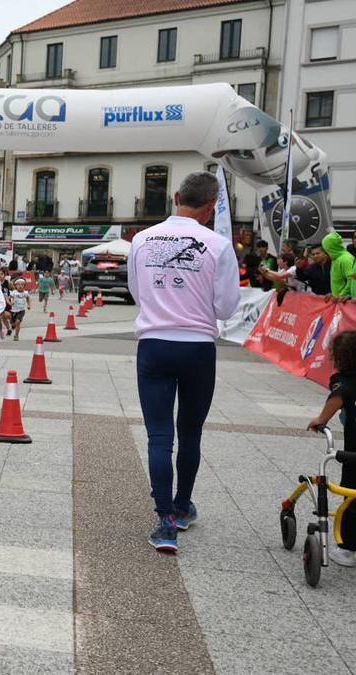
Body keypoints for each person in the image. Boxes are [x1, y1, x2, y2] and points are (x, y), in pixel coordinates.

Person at [126, 171, 239, 553]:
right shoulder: (218, 244)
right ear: (210, 206)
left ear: (176, 196)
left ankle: (164, 523)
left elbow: (136, 293)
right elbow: (226, 306)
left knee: (159, 435)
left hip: (154, 344)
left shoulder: (141, 240)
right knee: (190, 432)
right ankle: (182, 507)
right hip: (197, 347)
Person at [306, 331, 356, 566]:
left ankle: (347, 549)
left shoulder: (344, 381)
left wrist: (320, 419)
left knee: (351, 496)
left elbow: (338, 397)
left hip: (354, 454)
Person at [321, 232, 355, 300]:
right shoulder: (335, 259)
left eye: (326, 248)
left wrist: (341, 295)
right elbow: (338, 282)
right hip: (339, 302)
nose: (325, 251)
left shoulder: (346, 259)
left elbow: (352, 280)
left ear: (331, 248)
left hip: (346, 303)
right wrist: (333, 294)